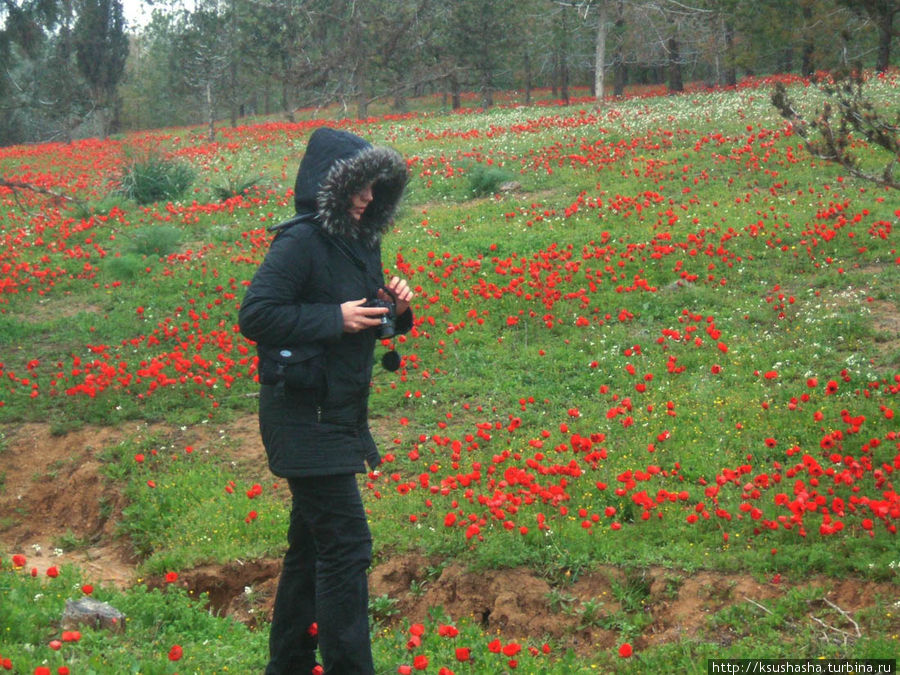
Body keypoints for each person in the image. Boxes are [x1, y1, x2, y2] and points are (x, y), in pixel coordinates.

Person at [238, 126, 413, 675]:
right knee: (347, 545)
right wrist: (331, 318)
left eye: (374, 187)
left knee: (312, 547)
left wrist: (394, 309)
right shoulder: (300, 241)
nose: (368, 197)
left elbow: (364, 320)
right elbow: (256, 315)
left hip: (338, 412)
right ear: (330, 186)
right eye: (359, 187)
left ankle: (287, 666)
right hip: (300, 414)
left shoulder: (361, 240)